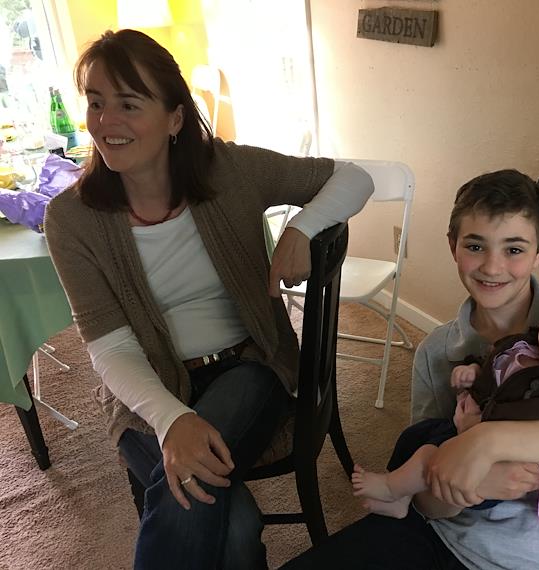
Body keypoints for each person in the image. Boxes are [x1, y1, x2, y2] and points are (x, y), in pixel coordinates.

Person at [43, 29, 373, 570]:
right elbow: (109, 346)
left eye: (129, 104)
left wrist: (302, 227)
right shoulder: (71, 219)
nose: (105, 122)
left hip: (249, 368)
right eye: (96, 103)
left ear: (175, 118)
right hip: (145, 391)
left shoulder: (230, 172)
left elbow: (353, 177)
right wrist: (172, 419)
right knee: (235, 526)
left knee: (199, 497)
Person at [282, 169, 539, 570]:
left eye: (514, 249)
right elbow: (426, 503)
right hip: (441, 533)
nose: (492, 266)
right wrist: (472, 486)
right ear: (453, 246)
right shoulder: (436, 352)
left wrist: (485, 442)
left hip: (536, 560)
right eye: (475, 245)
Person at [352, 292, 539, 531]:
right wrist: (474, 371)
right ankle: (402, 500)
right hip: (466, 427)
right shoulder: (523, 350)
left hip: (502, 462)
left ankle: (391, 487)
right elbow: (495, 365)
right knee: (414, 436)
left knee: (427, 458)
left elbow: (537, 422)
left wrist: (478, 428)